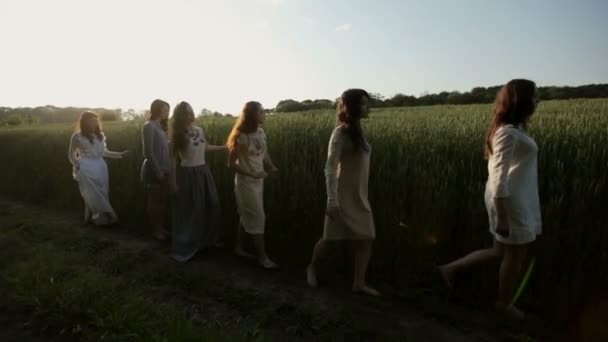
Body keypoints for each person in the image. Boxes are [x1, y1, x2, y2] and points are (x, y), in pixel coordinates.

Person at [437, 79, 541, 319]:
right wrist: (502, 214)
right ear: (521, 100)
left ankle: (449, 269)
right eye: (534, 96)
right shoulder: (507, 132)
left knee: (498, 252)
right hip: (509, 201)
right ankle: (503, 304)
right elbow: (498, 175)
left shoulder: (514, 129)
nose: (538, 101)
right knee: (515, 254)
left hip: (514, 197)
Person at [306, 89, 380, 296]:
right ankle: (311, 267)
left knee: (366, 238)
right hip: (342, 195)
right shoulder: (340, 133)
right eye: (364, 104)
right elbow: (330, 167)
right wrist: (332, 201)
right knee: (330, 239)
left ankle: (359, 283)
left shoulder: (358, 131)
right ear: (354, 107)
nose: (368, 107)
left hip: (360, 196)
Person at [170, 101, 226, 262]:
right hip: (187, 174)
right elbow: (172, 160)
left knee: (211, 205)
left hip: (203, 172)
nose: (189, 115)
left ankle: (207, 241)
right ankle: (188, 244)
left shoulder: (199, 130)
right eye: (185, 112)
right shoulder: (177, 134)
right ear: (180, 115)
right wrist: (173, 183)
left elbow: (205, 147)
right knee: (192, 210)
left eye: (190, 111)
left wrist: (222, 147)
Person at [227, 101, 279, 269]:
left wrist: (270, 166)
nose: (264, 114)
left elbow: (264, 153)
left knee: (245, 215)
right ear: (252, 115)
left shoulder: (261, 132)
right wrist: (253, 174)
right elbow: (232, 163)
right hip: (245, 183)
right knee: (258, 217)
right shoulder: (242, 136)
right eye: (261, 111)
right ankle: (263, 258)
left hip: (258, 182)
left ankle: (238, 248)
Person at [68, 111, 128, 226]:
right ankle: (102, 217)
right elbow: (71, 154)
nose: (94, 123)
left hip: (101, 167)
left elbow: (105, 152)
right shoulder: (76, 136)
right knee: (91, 194)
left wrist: (120, 154)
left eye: (96, 121)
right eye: (91, 121)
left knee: (103, 192)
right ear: (84, 122)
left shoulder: (100, 136)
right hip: (85, 168)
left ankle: (97, 218)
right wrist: (78, 165)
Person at [141, 99, 172, 241]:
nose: (167, 113)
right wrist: (158, 171)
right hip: (154, 169)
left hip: (165, 168)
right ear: (157, 110)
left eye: (168, 110)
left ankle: (161, 228)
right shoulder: (149, 126)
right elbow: (148, 152)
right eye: (165, 110)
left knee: (163, 201)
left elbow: (164, 146)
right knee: (154, 202)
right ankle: (155, 230)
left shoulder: (161, 126)